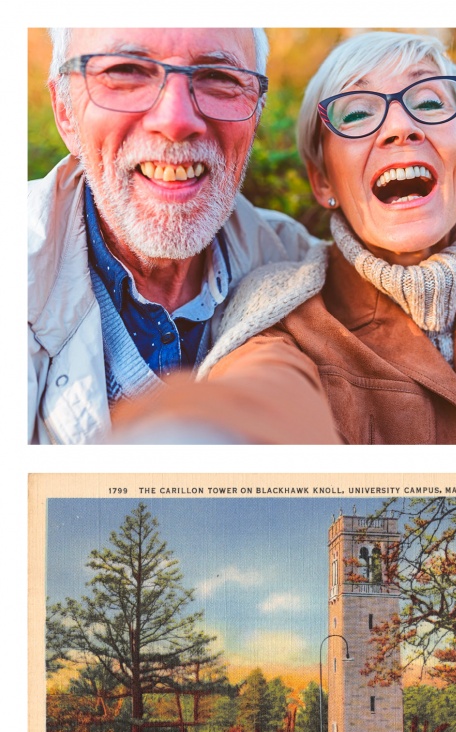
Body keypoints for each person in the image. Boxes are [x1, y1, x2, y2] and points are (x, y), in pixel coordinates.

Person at [190, 30, 456, 445]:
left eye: (428, 103)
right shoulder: (279, 318)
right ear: (322, 181)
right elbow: (257, 402)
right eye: (356, 114)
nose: (402, 128)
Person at [28, 27, 338, 444]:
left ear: (256, 113)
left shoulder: (300, 266)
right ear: (65, 111)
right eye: (126, 72)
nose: (175, 121)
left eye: (219, 78)